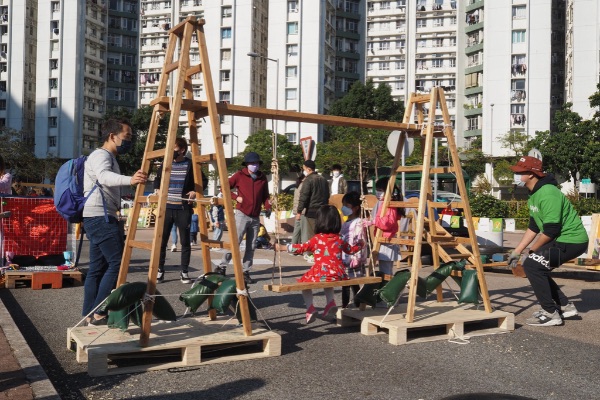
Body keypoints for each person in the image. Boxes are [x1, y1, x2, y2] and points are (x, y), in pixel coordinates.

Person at [507, 156, 588, 327]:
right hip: (562, 239)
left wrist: (531, 251)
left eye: (520, 172)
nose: (516, 175)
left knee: (532, 265)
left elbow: (551, 230)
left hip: (572, 241)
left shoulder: (548, 193)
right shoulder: (534, 193)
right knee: (538, 266)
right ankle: (566, 307)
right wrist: (517, 250)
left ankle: (550, 313)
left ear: (531, 174)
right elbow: (534, 226)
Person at [82, 118, 147, 325]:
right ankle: (101, 311)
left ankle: (89, 314)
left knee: (97, 268)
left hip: (97, 215)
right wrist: (131, 179)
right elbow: (104, 178)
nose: (128, 141)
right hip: (100, 216)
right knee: (117, 263)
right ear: (112, 136)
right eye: (126, 137)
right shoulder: (101, 155)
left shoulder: (109, 157)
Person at [287, 205, 364, 323]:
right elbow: (351, 250)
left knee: (304, 283)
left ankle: (310, 308)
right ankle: (330, 302)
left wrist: (284, 247)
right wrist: (360, 244)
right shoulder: (340, 238)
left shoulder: (317, 239)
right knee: (328, 281)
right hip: (338, 273)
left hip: (321, 271)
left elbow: (300, 248)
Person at [215, 152, 271, 285]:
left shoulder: (262, 178)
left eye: (256, 163)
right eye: (252, 163)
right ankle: (222, 266)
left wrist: (268, 206)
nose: (255, 166)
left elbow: (265, 196)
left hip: (255, 216)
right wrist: (235, 197)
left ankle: (246, 271)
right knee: (235, 242)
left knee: (251, 245)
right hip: (242, 214)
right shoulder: (239, 175)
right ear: (247, 164)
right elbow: (224, 187)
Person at [154, 137, 198, 284]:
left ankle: (184, 272)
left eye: (174, 150)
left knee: (185, 241)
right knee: (162, 240)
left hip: (182, 208)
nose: (171, 153)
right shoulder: (165, 163)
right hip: (166, 207)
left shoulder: (191, 165)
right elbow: (157, 179)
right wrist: (157, 189)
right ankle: (160, 270)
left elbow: (201, 181)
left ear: (182, 150)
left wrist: (195, 191)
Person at [365, 177, 404, 276]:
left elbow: (388, 223)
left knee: (386, 271)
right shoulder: (383, 204)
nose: (378, 193)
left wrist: (374, 221)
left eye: (380, 191)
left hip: (387, 240)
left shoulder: (390, 205)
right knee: (384, 269)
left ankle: (389, 288)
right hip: (383, 239)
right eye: (377, 190)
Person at [296, 160, 330, 262]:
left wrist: (299, 211)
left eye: (304, 168)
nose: (303, 170)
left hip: (311, 211)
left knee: (310, 234)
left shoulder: (308, 180)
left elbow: (304, 197)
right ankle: (321, 253)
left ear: (308, 168)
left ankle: (311, 254)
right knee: (320, 234)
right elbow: (327, 195)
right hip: (323, 210)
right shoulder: (323, 179)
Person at [340, 191, 368, 308]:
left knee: (354, 283)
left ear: (356, 208)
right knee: (345, 284)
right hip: (345, 257)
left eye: (347, 206)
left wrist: (357, 257)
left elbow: (360, 241)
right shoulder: (346, 221)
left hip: (354, 258)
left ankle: (355, 305)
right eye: (343, 205)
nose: (344, 208)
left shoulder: (358, 222)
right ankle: (345, 306)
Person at [291, 174, 306, 245]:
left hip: (297, 210)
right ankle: (293, 246)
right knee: (299, 230)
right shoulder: (303, 186)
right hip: (301, 211)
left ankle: (296, 246)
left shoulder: (297, 186)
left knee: (297, 229)